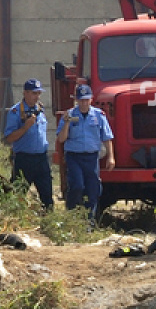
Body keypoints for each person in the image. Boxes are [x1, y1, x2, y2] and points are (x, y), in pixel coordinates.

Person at [56, 85, 114, 222]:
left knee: (92, 189)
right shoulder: (69, 115)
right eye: (81, 100)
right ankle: (72, 216)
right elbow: (61, 139)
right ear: (76, 100)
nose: (84, 103)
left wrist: (111, 157)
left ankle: (90, 222)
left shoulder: (98, 115)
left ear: (91, 99)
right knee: (77, 185)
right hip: (74, 156)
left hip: (92, 157)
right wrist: (66, 123)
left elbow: (107, 137)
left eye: (86, 100)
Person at [3, 77, 54, 212]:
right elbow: (9, 137)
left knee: (47, 196)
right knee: (18, 194)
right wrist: (25, 127)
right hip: (24, 158)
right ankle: (14, 221)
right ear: (25, 93)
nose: (36, 96)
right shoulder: (16, 112)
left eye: (38, 93)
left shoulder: (40, 110)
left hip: (42, 158)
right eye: (33, 93)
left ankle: (49, 222)